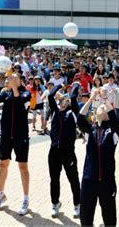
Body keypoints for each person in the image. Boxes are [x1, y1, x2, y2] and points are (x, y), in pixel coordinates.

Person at [0, 73, 32, 216]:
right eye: (9, 79)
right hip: (6, 135)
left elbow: (19, 101)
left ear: (20, 81)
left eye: (14, 78)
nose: (10, 80)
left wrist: (14, 87)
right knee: (3, 164)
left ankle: (26, 199)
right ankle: (0, 194)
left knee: (23, 166)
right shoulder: (6, 93)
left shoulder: (26, 94)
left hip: (21, 136)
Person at [77, 88, 119, 226]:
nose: (103, 108)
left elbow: (113, 117)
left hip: (107, 180)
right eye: (100, 107)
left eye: (105, 108)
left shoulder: (112, 131)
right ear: (95, 114)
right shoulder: (90, 130)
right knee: (86, 216)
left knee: (109, 217)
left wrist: (105, 99)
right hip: (89, 179)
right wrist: (91, 99)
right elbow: (80, 118)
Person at [47, 83, 81, 219]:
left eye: (65, 101)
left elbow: (73, 96)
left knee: (73, 179)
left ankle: (77, 205)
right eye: (61, 101)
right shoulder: (55, 111)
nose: (63, 102)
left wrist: (75, 85)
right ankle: (55, 204)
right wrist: (59, 86)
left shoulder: (72, 113)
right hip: (54, 151)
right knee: (54, 179)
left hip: (68, 152)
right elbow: (50, 95)